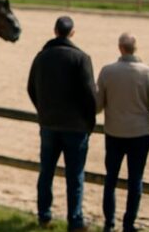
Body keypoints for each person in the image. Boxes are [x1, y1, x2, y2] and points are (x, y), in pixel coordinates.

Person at [27, 16, 96, 232]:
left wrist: (43, 111)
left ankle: (44, 216)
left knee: (46, 172)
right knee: (75, 176)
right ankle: (75, 221)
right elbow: (90, 95)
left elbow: (31, 88)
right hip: (75, 127)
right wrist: (89, 122)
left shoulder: (41, 57)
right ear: (72, 32)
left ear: (55, 31)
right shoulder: (81, 58)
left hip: (48, 124)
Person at [96, 33, 149, 232]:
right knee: (135, 180)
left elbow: (98, 105)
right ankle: (129, 223)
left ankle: (109, 222)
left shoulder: (108, 71)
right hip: (139, 133)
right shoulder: (148, 72)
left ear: (120, 48)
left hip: (114, 132)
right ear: (135, 48)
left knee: (110, 178)